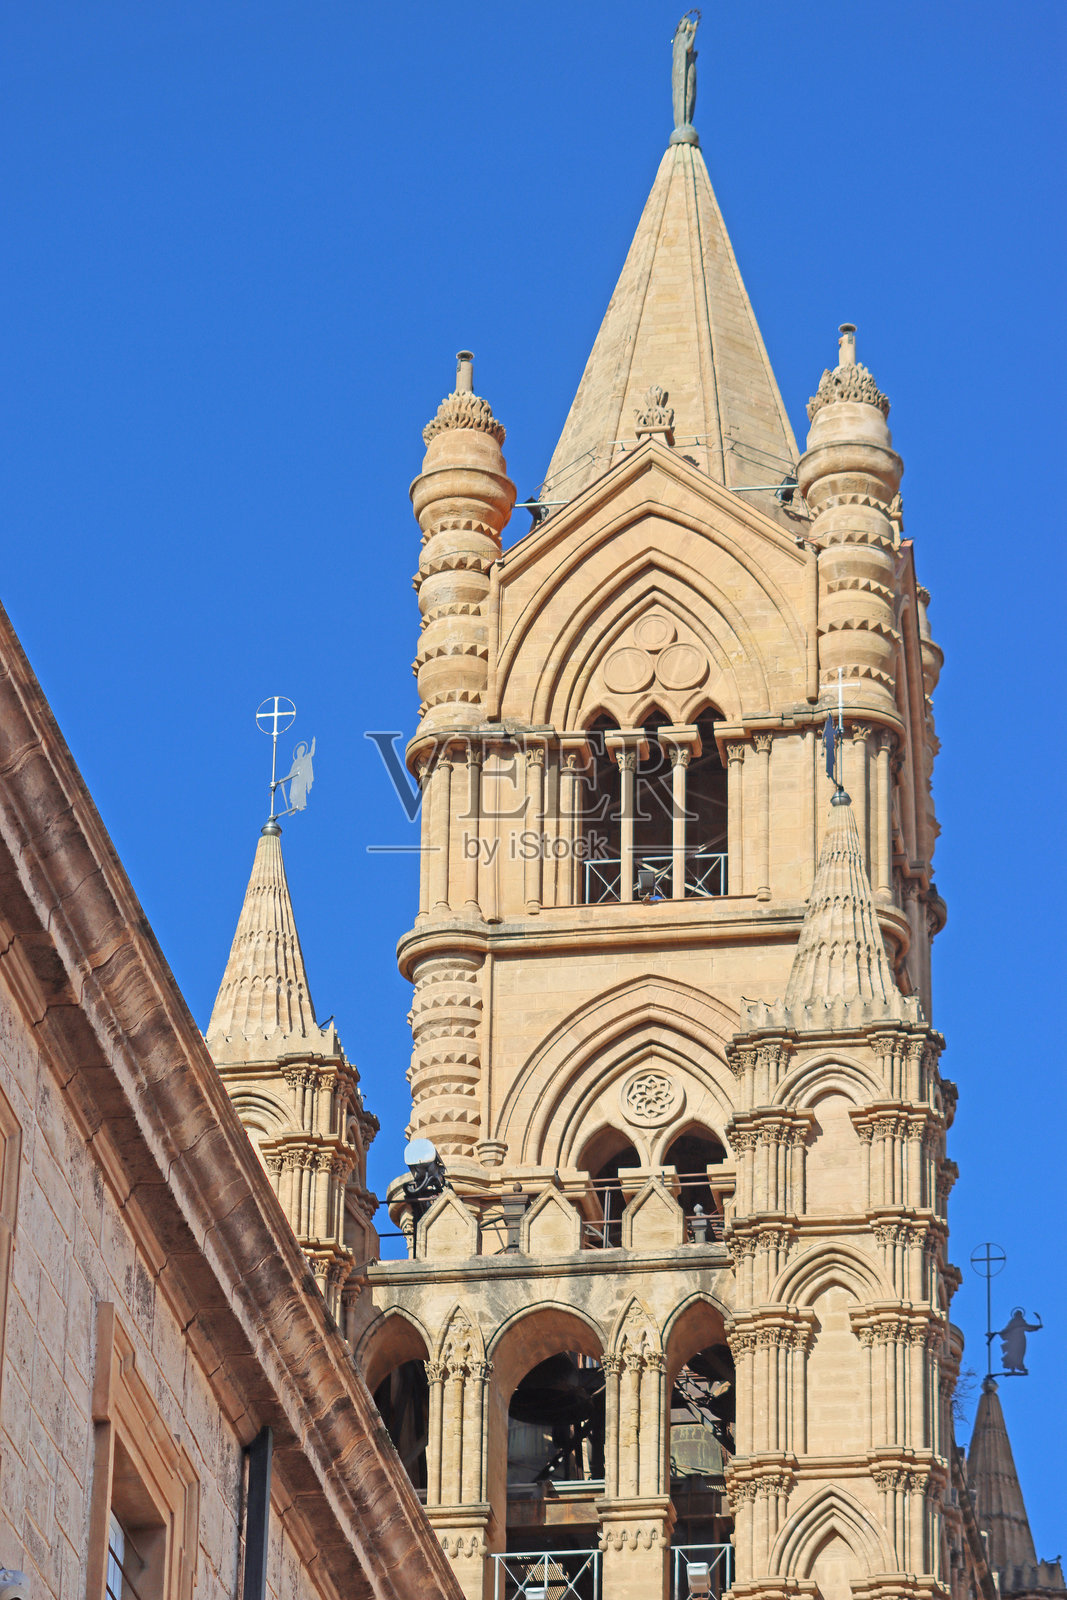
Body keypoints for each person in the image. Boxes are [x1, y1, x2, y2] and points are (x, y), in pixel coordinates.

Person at [992, 1307, 1042, 1375]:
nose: (1018, 1316)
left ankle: (1018, 1367)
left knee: (1020, 1353)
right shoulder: (1013, 1322)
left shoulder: (1021, 1322)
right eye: (1017, 1314)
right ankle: (1013, 1368)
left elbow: (1028, 1327)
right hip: (1014, 1340)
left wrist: (1037, 1327)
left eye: (1019, 1314)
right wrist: (1001, 1332)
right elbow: (1007, 1329)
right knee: (1013, 1353)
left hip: (1020, 1340)